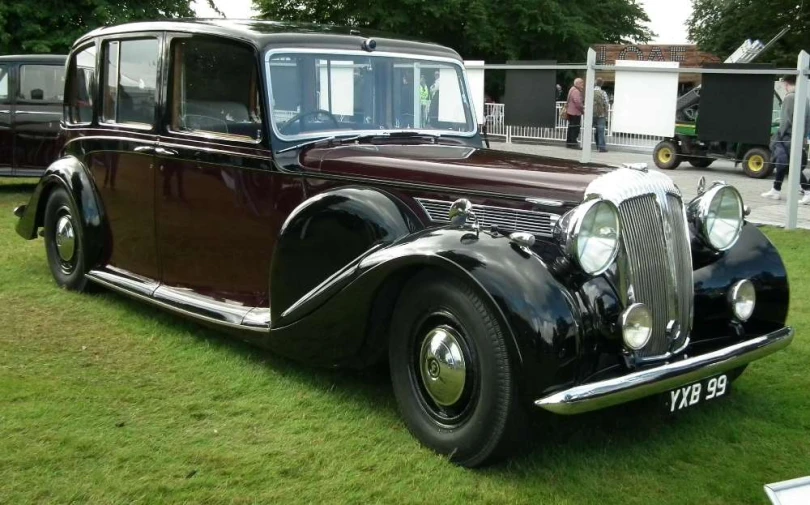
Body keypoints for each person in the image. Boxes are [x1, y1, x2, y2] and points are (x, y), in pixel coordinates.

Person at [761, 74, 810, 203]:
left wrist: (779, 136)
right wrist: (804, 137)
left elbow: (786, 119)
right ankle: (776, 190)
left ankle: (807, 190)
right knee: (783, 163)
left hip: (787, 136)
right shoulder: (805, 98)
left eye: (784, 86)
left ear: (787, 84)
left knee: (789, 164)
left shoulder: (789, 97)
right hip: (799, 136)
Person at [565, 78, 585, 149]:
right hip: (575, 113)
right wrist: (583, 110)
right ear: (578, 84)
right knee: (575, 128)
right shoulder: (576, 91)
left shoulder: (572, 89)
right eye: (582, 83)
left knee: (571, 128)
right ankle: (573, 143)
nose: (583, 85)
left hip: (570, 112)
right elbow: (578, 102)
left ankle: (569, 143)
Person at [593, 78, 609, 153]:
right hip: (601, 114)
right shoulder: (603, 93)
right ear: (601, 84)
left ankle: (597, 145)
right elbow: (606, 103)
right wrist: (606, 113)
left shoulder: (591, 92)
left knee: (595, 130)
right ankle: (601, 147)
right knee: (600, 130)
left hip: (592, 113)